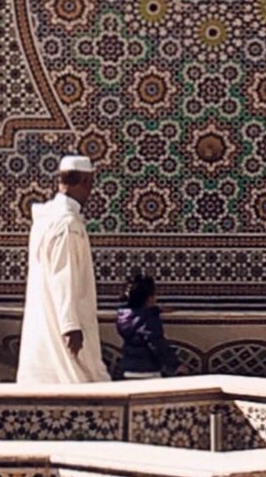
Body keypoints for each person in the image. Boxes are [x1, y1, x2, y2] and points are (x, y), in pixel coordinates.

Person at [15, 152, 103, 384]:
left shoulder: (46, 219)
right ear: (85, 181)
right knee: (78, 377)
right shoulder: (66, 223)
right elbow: (62, 275)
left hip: (49, 313)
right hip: (67, 319)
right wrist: (70, 325)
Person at [113, 272, 179, 380]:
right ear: (149, 298)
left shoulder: (124, 316)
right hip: (148, 370)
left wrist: (156, 310)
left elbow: (138, 315)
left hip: (128, 368)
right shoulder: (150, 319)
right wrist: (175, 364)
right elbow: (157, 343)